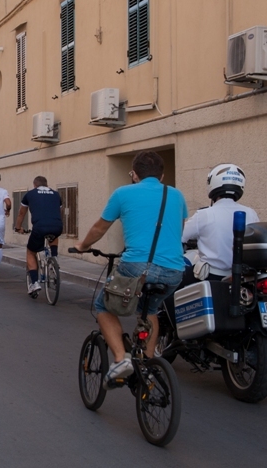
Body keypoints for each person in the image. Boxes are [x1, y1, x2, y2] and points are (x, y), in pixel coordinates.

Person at [74, 151, 188, 384]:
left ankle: (121, 358)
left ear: (134, 174)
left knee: (103, 307)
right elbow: (180, 226)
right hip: (174, 270)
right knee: (151, 310)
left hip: (136, 268)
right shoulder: (176, 195)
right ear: (162, 175)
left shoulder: (123, 193)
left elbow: (99, 228)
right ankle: (146, 364)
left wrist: (82, 245)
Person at [180, 163, 259, 287]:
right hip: (241, 277)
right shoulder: (250, 213)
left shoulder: (204, 214)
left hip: (211, 275)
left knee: (173, 280)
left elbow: (179, 237)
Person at [15, 176, 63, 292]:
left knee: (31, 251)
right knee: (54, 234)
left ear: (35, 185)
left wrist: (18, 227)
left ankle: (35, 283)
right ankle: (54, 257)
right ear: (46, 184)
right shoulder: (56, 194)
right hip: (57, 226)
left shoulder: (30, 194)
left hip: (39, 227)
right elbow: (58, 211)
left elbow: (21, 213)